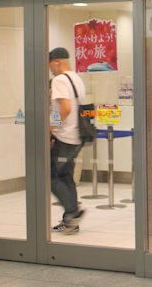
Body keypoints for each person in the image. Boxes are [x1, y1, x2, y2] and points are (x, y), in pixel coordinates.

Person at [49, 47, 86, 234]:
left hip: (64, 137)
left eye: (50, 66)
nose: (50, 70)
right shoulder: (76, 78)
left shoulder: (59, 80)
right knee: (66, 177)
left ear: (56, 62)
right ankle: (70, 221)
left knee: (50, 177)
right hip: (78, 136)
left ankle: (73, 212)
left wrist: (51, 127)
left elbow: (65, 108)